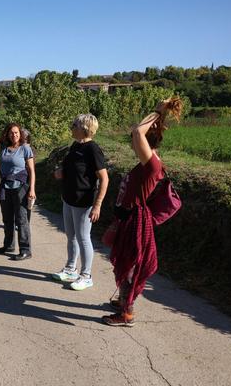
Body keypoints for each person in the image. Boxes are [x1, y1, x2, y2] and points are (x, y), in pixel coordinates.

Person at [102, 97, 183, 327]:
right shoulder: (149, 162)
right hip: (129, 217)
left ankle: (126, 314)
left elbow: (138, 131)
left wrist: (157, 112)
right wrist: (161, 114)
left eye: (137, 143)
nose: (134, 144)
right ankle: (123, 301)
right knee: (126, 264)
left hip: (135, 220)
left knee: (129, 266)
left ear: (146, 143)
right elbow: (140, 133)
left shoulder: (152, 165)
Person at [52, 114, 108, 291]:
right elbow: (71, 168)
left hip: (84, 202)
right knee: (71, 236)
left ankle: (86, 275)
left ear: (84, 128)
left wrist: (97, 205)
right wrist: (61, 171)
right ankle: (70, 269)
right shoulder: (75, 146)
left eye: (74, 124)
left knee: (84, 238)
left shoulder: (93, 149)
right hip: (68, 198)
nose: (71, 126)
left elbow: (104, 179)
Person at [0, 106, 36, 261]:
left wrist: (32, 189)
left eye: (17, 132)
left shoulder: (25, 148)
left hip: (21, 187)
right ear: (8, 134)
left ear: (20, 134)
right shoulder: (3, 148)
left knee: (21, 219)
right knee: (7, 219)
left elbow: (32, 171)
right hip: (5, 187)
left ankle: (26, 250)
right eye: (12, 132)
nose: (14, 135)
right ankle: (8, 245)